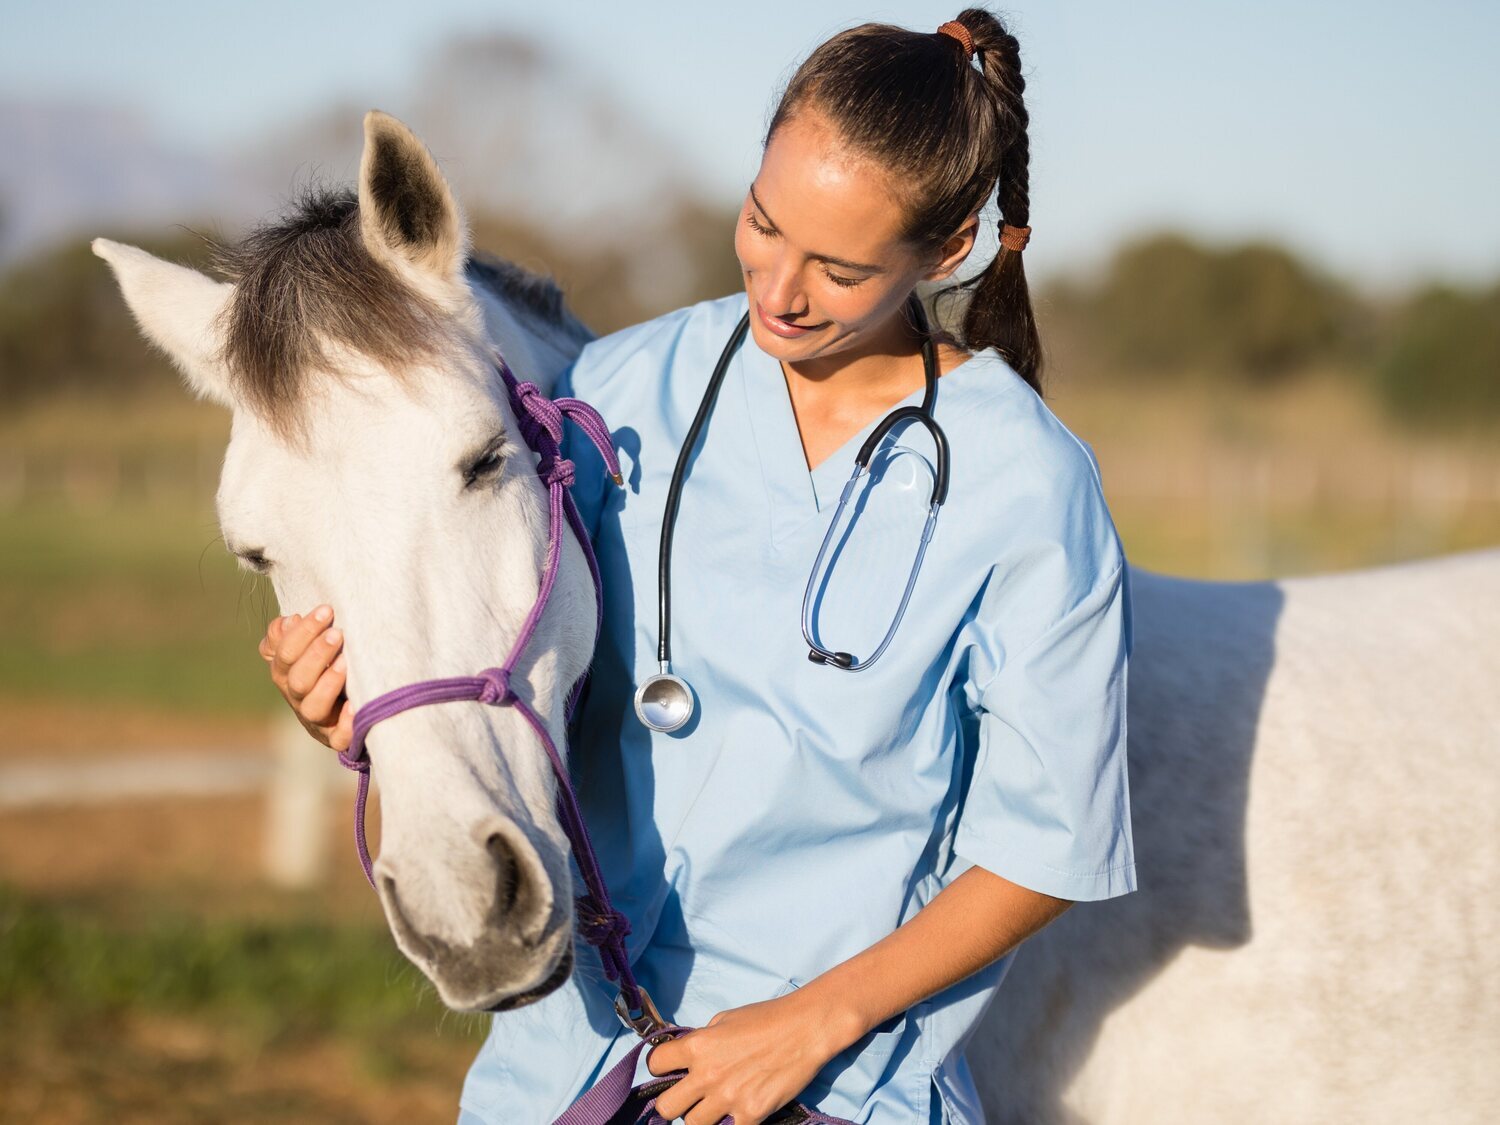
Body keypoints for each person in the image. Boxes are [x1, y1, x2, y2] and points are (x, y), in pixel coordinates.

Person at [261, 10, 1136, 1124]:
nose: (779, 288)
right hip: (566, 1071)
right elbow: (499, 661)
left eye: (839, 267)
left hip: (832, 1085)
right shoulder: (610, 395)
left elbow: (1050, 847)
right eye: (764, 224)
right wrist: (350, 702)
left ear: (949, 248)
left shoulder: (1027, 484)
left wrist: (806, 1028)